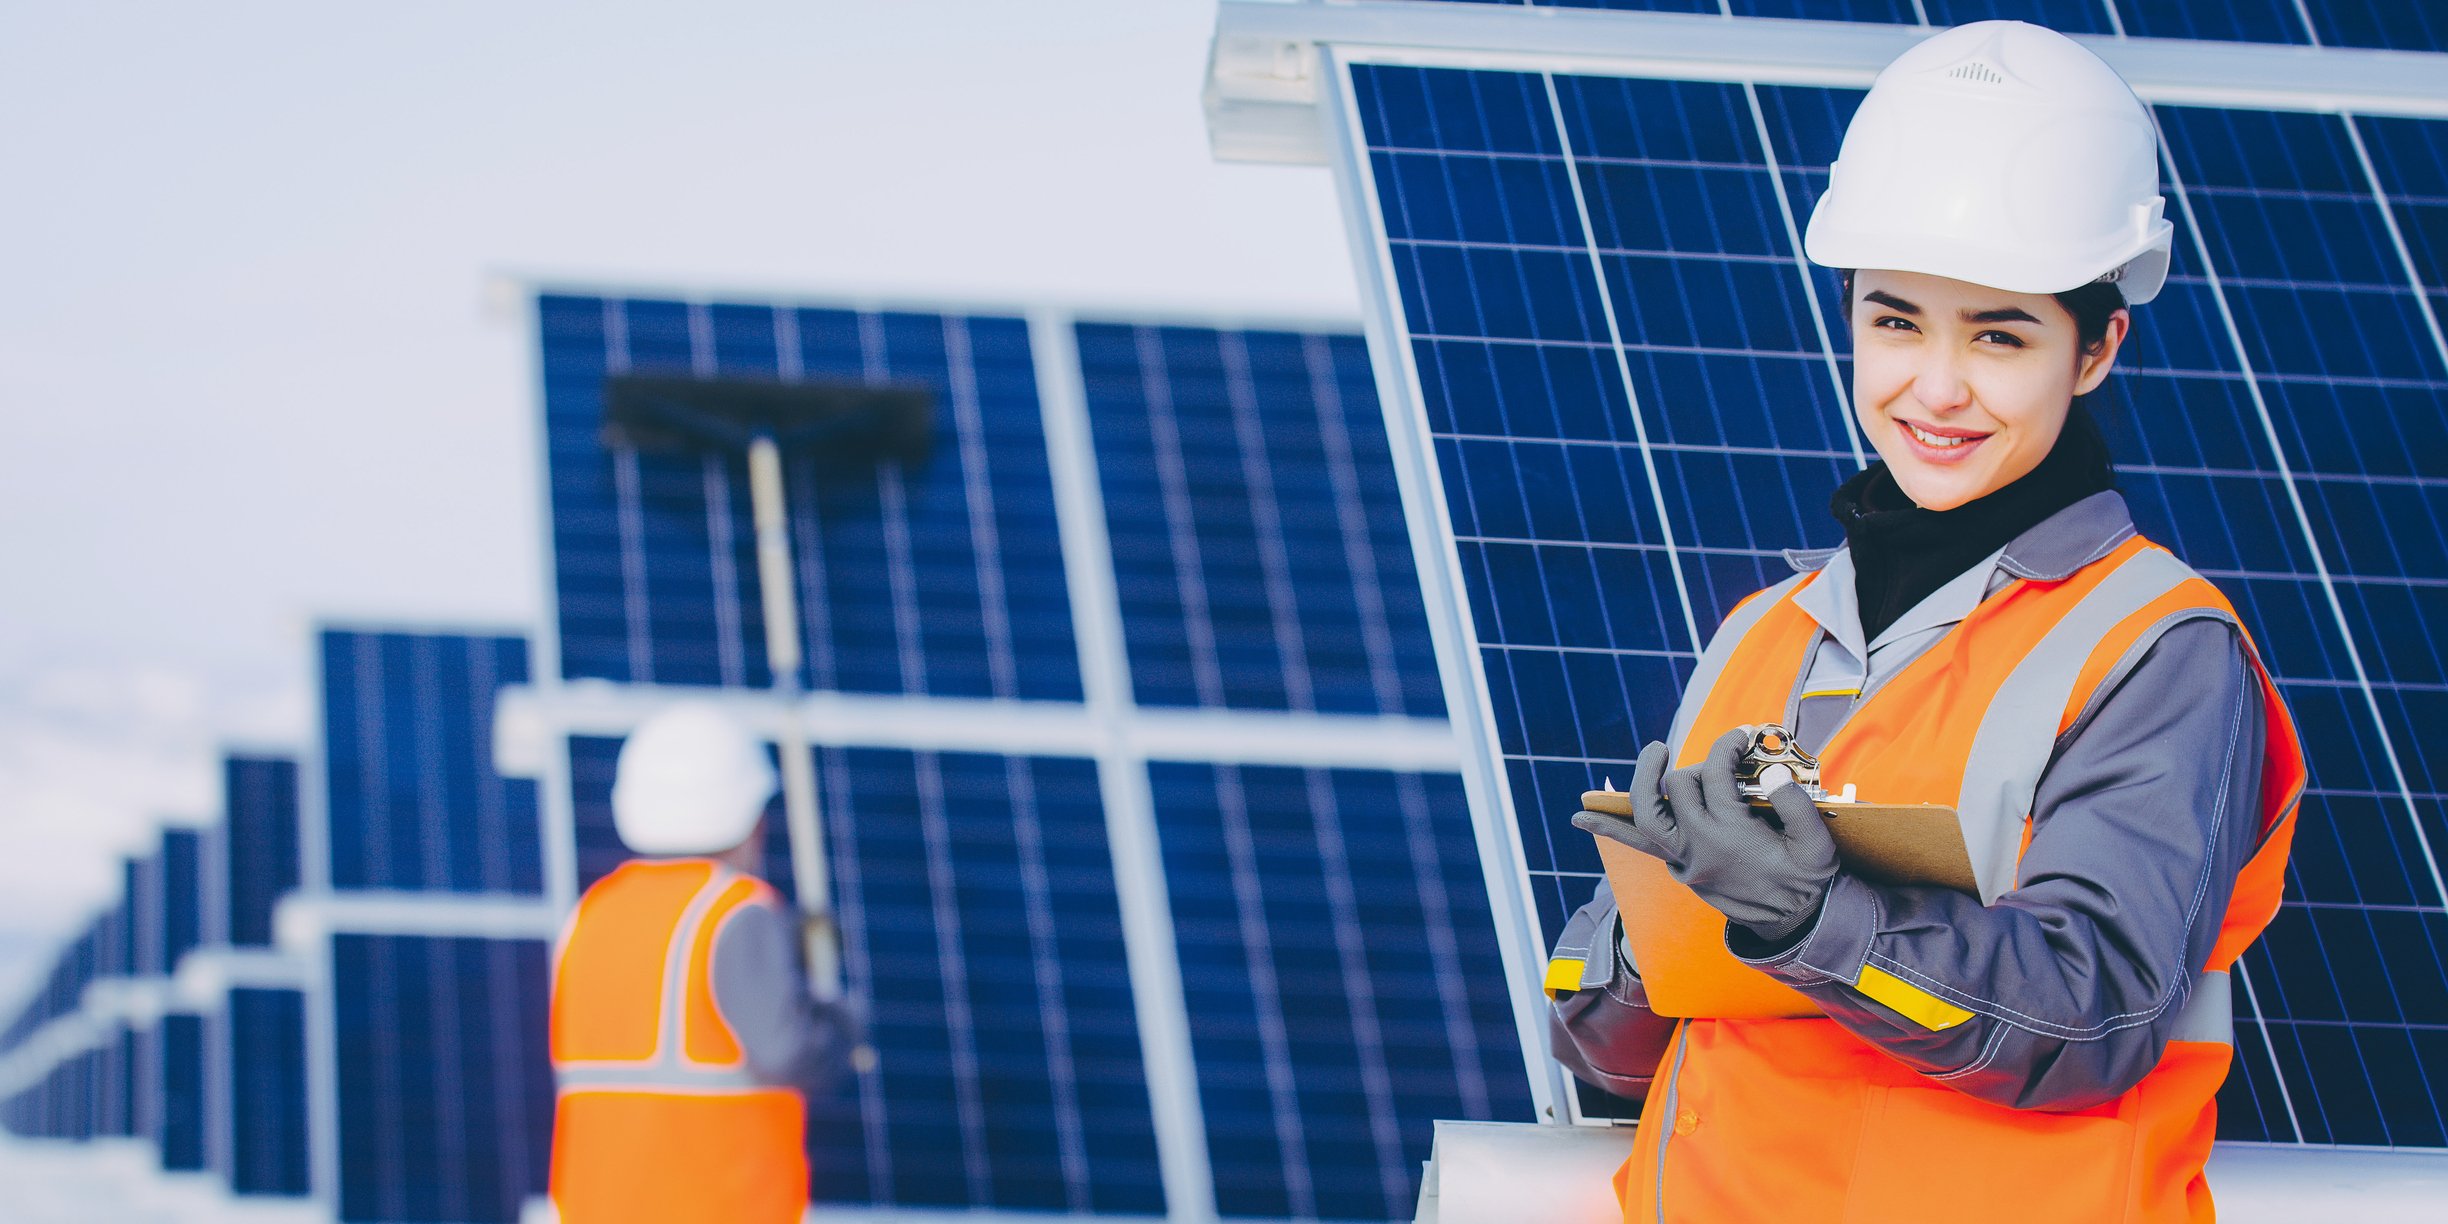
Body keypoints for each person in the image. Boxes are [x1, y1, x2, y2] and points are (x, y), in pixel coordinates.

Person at [1546, 21, 2305, 1223]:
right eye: (1896, 323)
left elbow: (2089, 1020)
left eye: (1999, 335)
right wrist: (1654, 941)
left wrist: (1806, 918)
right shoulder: (1765, 629)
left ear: (2099, 346)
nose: (1936, 389)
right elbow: (1604, 1048)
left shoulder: (2156, 647)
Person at [547, 702, 861, 1224]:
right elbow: (786, 1050)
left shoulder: (593, 914)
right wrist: (840, 1024)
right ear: (749, 816)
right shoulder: (736, 912)